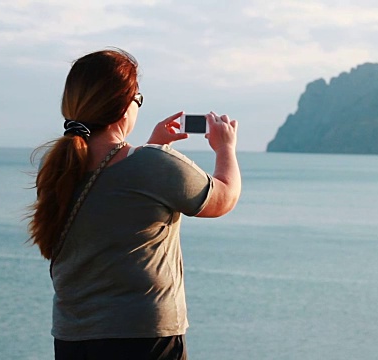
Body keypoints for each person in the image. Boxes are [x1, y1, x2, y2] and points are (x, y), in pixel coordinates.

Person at [27, 48, 241, 360]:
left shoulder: (59, 167)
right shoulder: (151, 165)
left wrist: (156, 147)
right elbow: (223, 198)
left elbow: (117, 199)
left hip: (73, 339)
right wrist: (226, 148)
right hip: (143, 339)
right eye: (138, 98)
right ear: (125, 105)